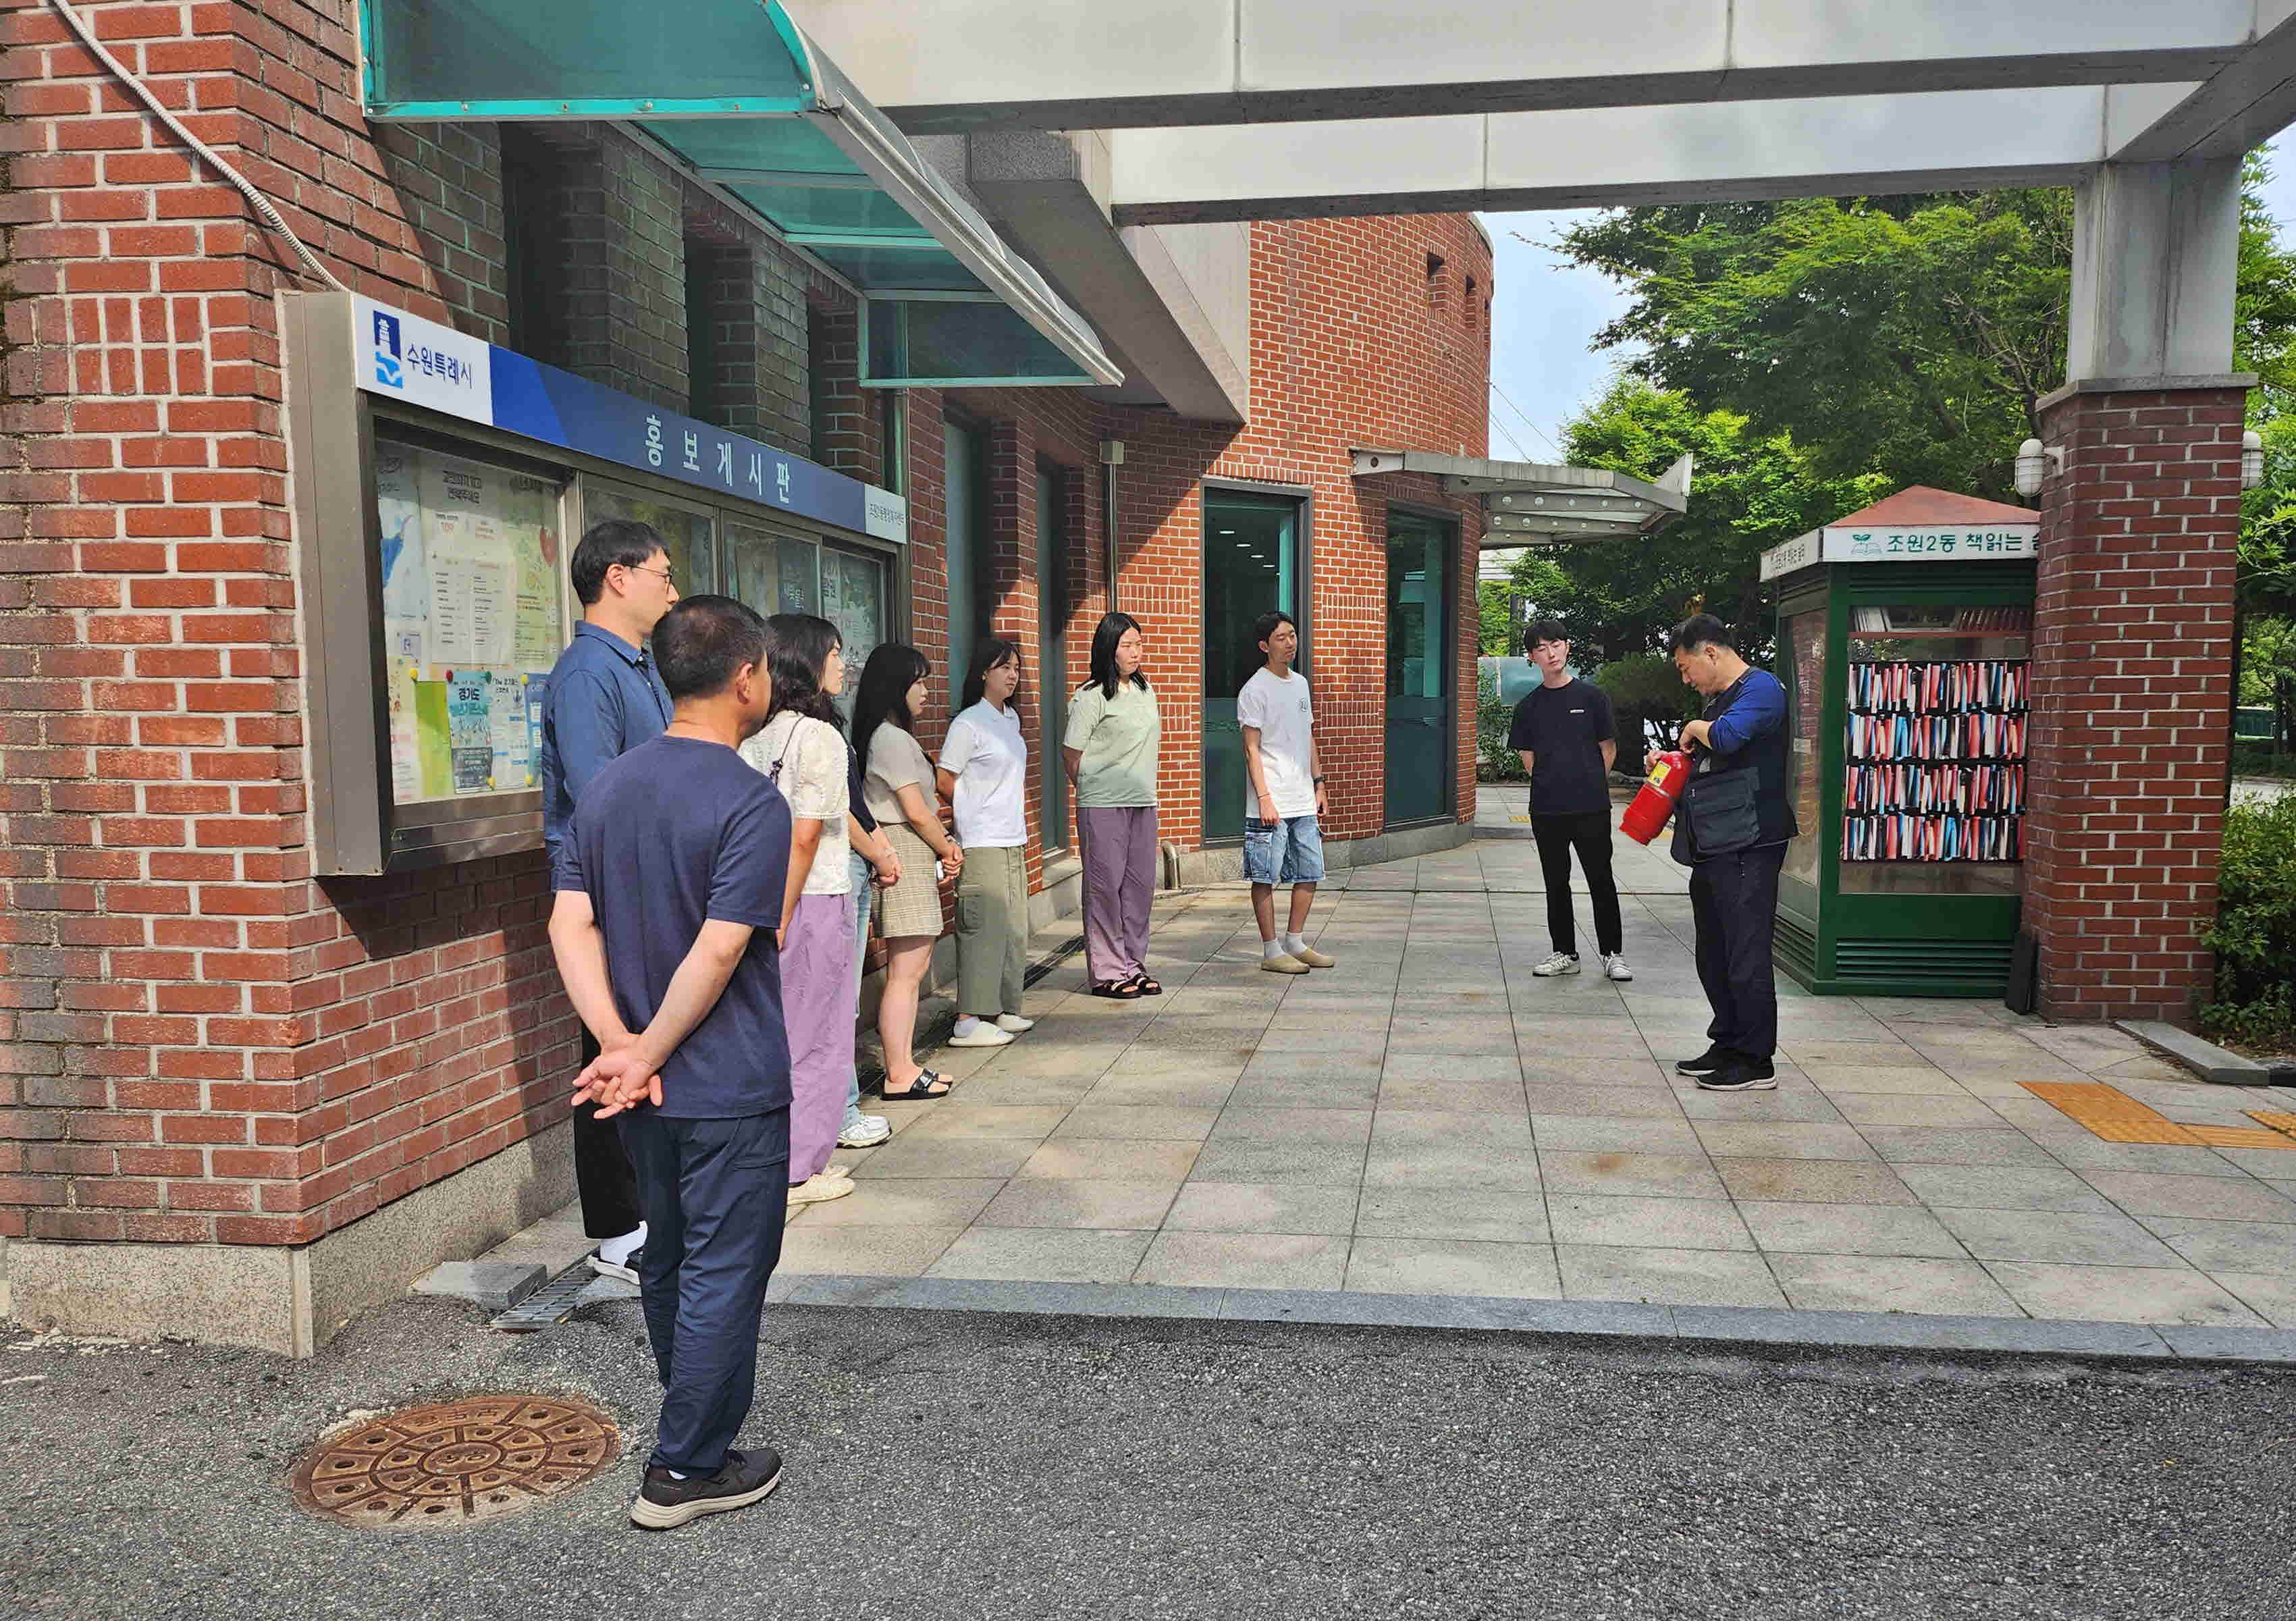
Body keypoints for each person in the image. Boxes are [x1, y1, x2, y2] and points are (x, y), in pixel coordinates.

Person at [548, 594, 793, 1531]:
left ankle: (695, 1428)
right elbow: (721, 948)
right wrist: (642, 1048)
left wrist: (616, 1043)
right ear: (746, 679)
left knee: (672, 1261)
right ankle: (686, 1466)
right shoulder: (748, 798)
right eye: (765, 669)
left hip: (643, 1088)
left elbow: (570, 923)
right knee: (727, 1265)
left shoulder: (607, 787)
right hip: (724, 1079)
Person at [538, 518, 677, 1286]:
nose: (672, 587)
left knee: (636, 1039)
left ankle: (644, 1209)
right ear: (617, 577)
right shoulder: (589, 672)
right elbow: (599, 795)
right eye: (661, 571)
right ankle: (617, 1229)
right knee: (608, 1044)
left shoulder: (639, 664)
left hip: (640, 877)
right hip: (604, 884)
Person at [739, 615, 859, 1204]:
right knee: (820, 1035)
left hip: (759, 895)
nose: (842, 663)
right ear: (808, 663)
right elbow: (807, 835)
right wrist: (786, 912)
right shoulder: (820, 737)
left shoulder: (751, 736)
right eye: (834, 653)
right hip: (812, 897)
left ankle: (772, 1157)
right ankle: (800, 1165)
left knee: (777, 1032)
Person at [1651, 613, 1797, 1093]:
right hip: (1715, 841)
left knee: (1745, 950)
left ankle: (1756, 1060)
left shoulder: (1761, 689)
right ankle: (1728, 1040)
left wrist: (1695, 726)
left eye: (1684, 666)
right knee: (1713, 950)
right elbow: (1713, 754)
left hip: (1749, 841)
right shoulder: (1720, 698)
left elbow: (1729, 738)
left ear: (1710, 652)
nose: (1685, 676)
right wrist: (1672, 758)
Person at [855, 643, 961, 1098]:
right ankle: (899, 1070)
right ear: (895, 687)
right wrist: (948, 846)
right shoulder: (891, 738)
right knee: (906, 967)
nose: (924, 691)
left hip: (909, 847)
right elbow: (916, 810)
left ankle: (905, 1063)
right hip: (904, 844)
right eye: (917, 682)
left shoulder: (893, 735)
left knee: (911, 967)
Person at [1508, 620, 1630, 983]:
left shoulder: (1593, 698)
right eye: (1542, 648)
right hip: (1547, 809)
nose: (1551, 653)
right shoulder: (1528, 707)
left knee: (1601, 879)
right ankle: (1565, 952)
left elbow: (1607, 750)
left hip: (1591, 807)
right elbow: (1527, 757)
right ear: (1532, 657)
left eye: (1556, 644)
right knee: (1555, 882)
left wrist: (1587, 782)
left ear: (1567, 647)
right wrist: (1553, 782)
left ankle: (1613, 954)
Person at [937, 639, 1034, 1047]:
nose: (1012, 674)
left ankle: (1000, 1008)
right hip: (981, 841)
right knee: (982, 929)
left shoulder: (1010, 719)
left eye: (1015, 667)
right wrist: (969, 812)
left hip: (1012, 837)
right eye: (1003, 667)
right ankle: (968, 1018)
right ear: (982, 672)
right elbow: (945, 779)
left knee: (1013, 929)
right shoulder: (969, 724)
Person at [1065, 612, 1163, 999]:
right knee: (1105, 889)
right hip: (1102, 805)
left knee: (1139, 890)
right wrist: (1095, 787)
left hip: (1143, 802)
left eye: (1139, 643)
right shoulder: (1090, 696)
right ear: (1109, 649)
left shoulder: (1145, 690)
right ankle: (1107, 972)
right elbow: (1072, 755)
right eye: (1127, 645)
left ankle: (1134, 966)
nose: (1136, 652)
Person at [1237, 610, 1335, 975]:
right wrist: (1264, 797)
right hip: (1271, 799)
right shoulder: (1254, 690)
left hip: (1302, 798)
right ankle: (1271, 949)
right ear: (1264, 646)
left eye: (1292, 635)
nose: (1290, 643)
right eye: (1281, 637)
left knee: (1309, 871)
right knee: (1265, 875)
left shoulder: (1301, 684)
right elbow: (1251, 749)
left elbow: (1307, 736)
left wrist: (1319, 784)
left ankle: (1295, 941)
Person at [838, 714, 898, 1150]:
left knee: (844, 1001)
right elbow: (835, 807)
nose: (841, 664)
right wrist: (878, 852)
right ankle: (839, 1114)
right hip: (832, 873)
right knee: (833, 1003)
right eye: (833, 653)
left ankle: (842, 1109)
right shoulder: (804, 731)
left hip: (854, 867)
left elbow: (854, 802)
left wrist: (881, 851)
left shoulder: (829, 726)